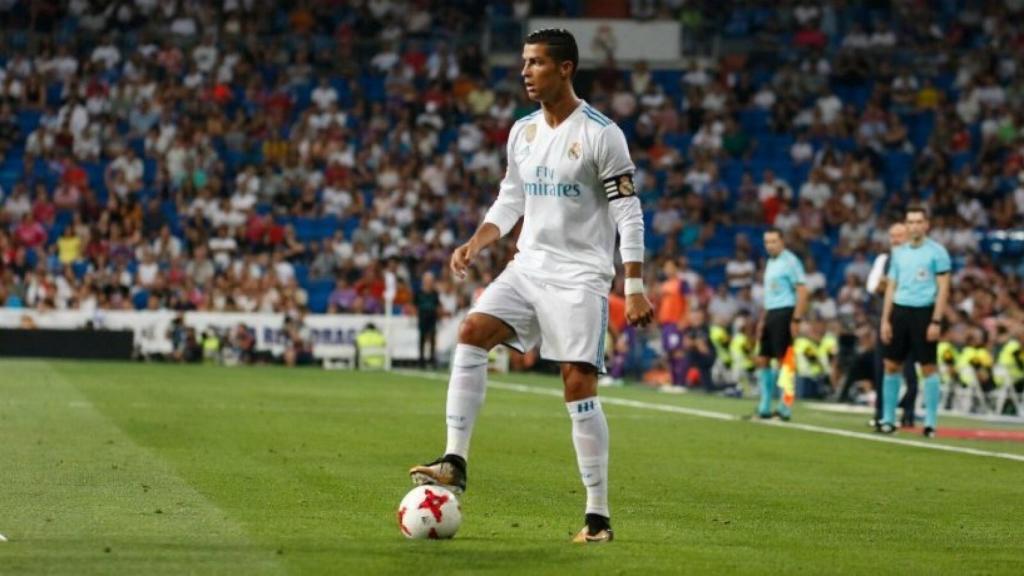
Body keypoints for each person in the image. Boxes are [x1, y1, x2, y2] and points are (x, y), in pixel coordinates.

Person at [408, 29, 653, 544]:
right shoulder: (521, 132)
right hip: (528, 266)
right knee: (472, 330)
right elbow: (510, 198)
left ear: (565, 69)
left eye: (537, 63)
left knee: (577, 385)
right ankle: (455, 460)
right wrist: (477, 242)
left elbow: (627, 210)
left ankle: (597, 516)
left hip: (581, 274)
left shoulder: (602, 133)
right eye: (524, 62)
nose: (525, 72)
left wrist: (633, 282)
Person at [880, 206, 951, 437]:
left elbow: (943, 289)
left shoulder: (937, 252)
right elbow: (891, 287)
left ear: (926, 225)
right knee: (891, 365)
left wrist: (936, 321)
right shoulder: (899, 253)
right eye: (910, 222)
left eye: (918, 221)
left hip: (924, 313)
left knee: (928, 368)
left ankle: (930, 422)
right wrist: (885, 320)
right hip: (900, 312)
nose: (914, 226)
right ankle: (889, 419)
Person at [865, 222, 918, 429]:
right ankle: (881, 413)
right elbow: (873, 286)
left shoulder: (917, 259)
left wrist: (890, 284)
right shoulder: (883, 259)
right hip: (887, 320)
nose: (895, 240)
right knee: (882, 368)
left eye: (900, 236)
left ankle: (909, 413)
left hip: (912, 319)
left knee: (911, 370)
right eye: (892, 236)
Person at [755, 228, 808, 420]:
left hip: (785, 312)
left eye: (774, 241)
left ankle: (785, 405)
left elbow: (802, 290)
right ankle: (765, 404)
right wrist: (763, 319)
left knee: (784, 360)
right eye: (767, 242)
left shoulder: (790, 261)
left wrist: (796, 319)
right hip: (771, 313)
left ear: (782, 241)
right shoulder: (771, 262)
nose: (770, 245)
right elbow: (770, 295)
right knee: (762, 358)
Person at [414, 271, 441, 369]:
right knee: (422, 338)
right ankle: (421, 359)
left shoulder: (435, 293)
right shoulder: (419, 293)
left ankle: (432, 359)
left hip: (432, 317)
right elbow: (414, 305)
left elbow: (437, 305)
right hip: (422, 317)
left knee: (432, 338)